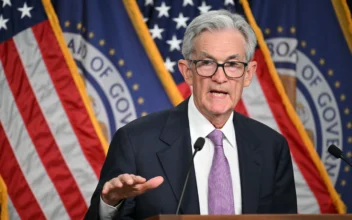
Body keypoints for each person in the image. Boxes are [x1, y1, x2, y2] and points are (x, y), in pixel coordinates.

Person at [85, 9, 297, 220]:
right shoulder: (136, 142)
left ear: (248, 74)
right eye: (207, 63)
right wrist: (109, 205)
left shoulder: (272, 147)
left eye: (232, 65)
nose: (220, 77)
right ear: (187, 72)